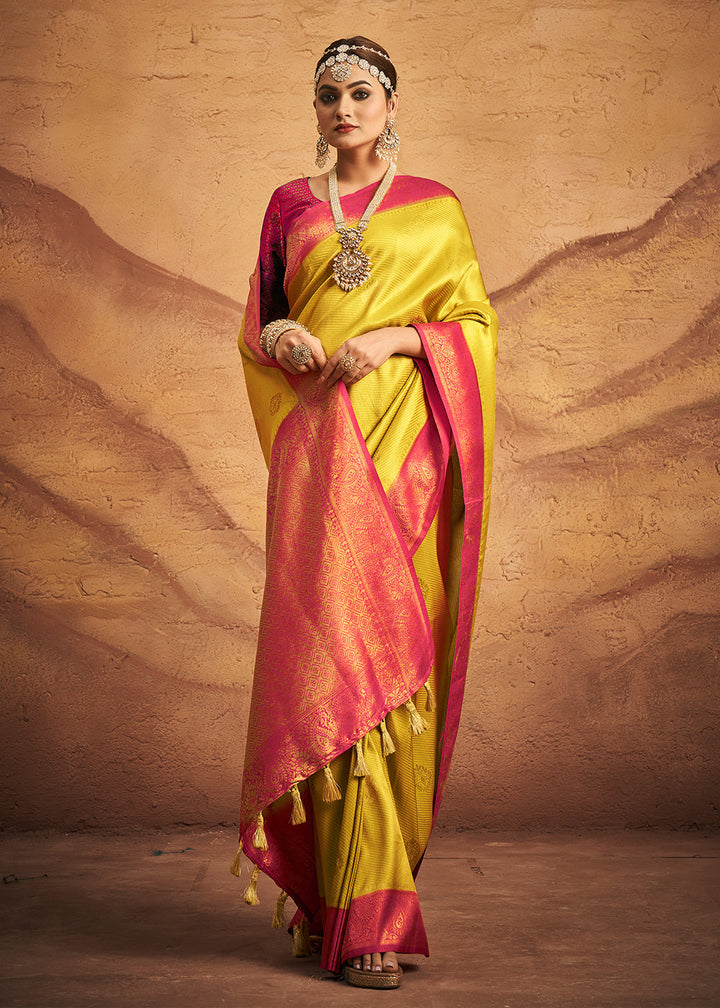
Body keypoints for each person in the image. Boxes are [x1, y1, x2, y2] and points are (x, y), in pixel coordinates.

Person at [232, 36, 498, 990]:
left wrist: (394, 338)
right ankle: (342, 907)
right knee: (331, 663)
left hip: (408, 459)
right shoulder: (290, 207)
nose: (342, 109)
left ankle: (370, 910)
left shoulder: (435, 206)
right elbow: (261, 319)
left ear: (389, 106)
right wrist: (284, 335)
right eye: (327, 95)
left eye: (360, 93)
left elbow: (473, 327)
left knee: (388, 671)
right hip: (320, 457)